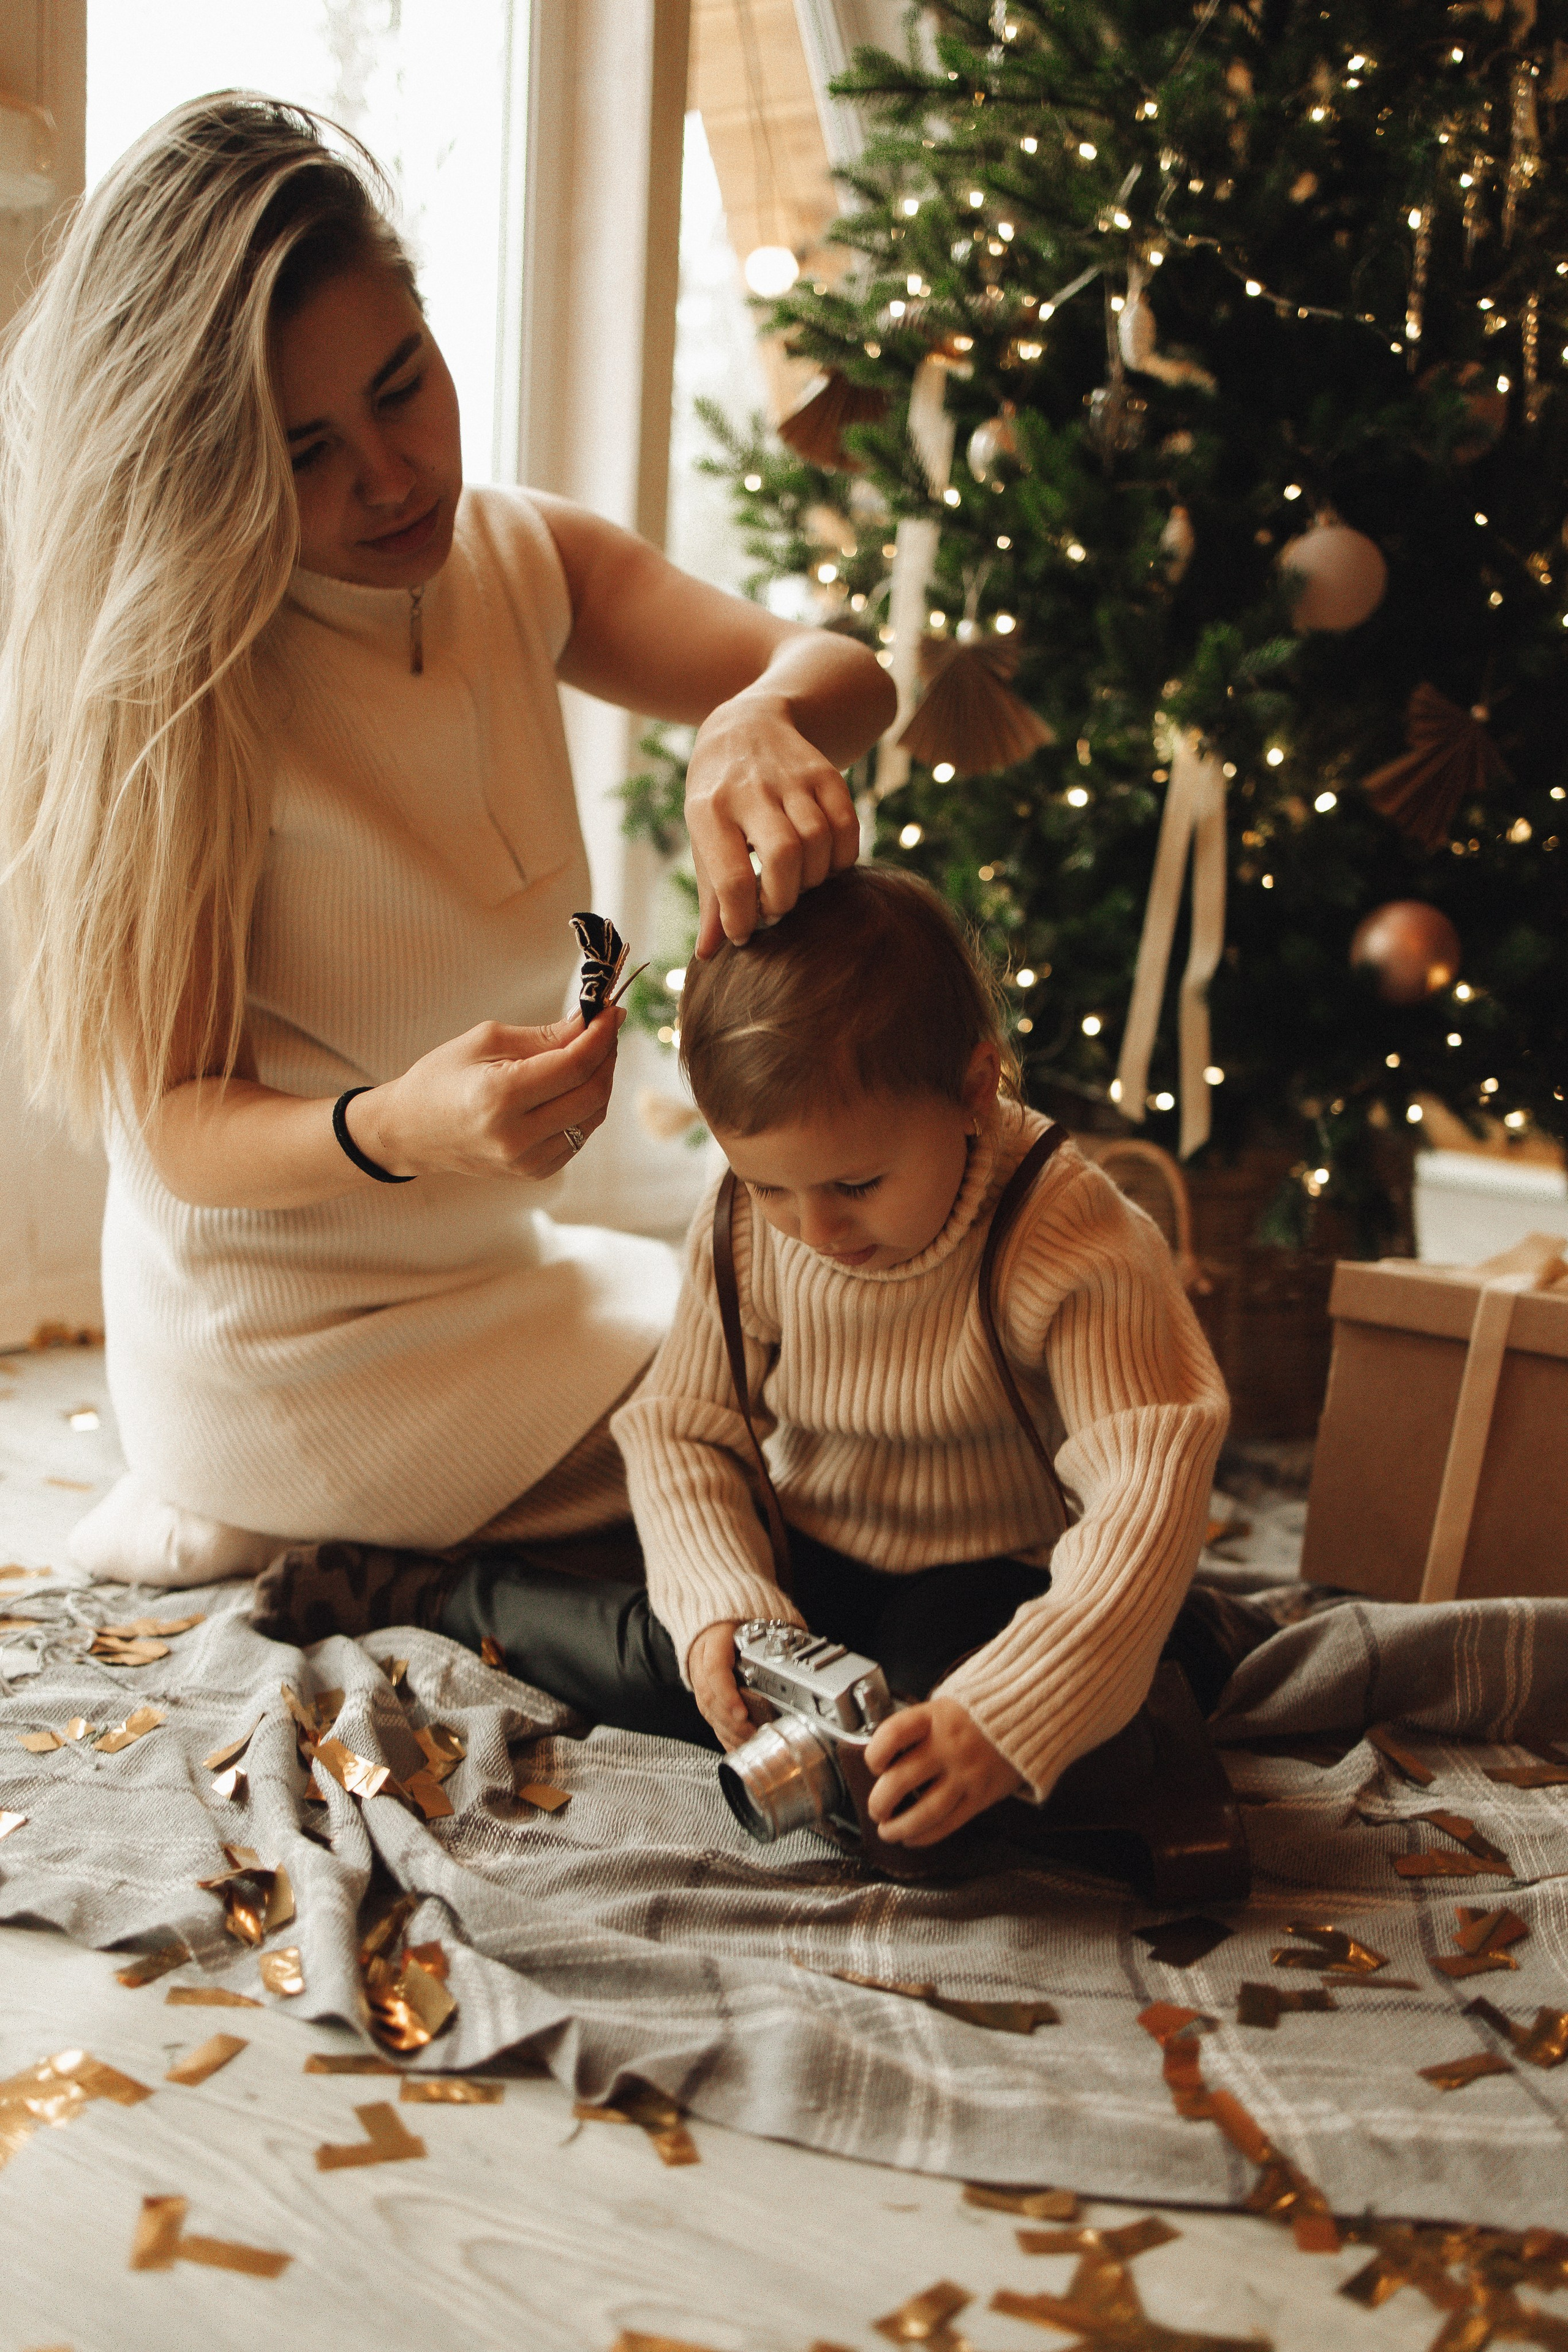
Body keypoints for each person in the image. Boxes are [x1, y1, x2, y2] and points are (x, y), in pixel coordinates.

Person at [0, 96, 892, 1586]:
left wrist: (760, 716)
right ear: (205, 469)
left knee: (849, 1343)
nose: (392, 476)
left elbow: (853, 673)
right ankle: (266, 1502)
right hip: (288, 1353)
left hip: (499, 1282)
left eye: (402, 387)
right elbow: (172, 1128)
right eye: (304, 453)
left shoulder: (520, 559)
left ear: (424, 318)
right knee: (833, 1434)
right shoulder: (188, 694)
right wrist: (394, 1130)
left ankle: (311, 1529)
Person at [259, 865, 1248, 1855]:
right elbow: (684, 1430)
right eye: (770, 1185)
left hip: (995, 1569)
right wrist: (723, 1613)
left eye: (856, 1182)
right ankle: (445, 1594)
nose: (813, 1227)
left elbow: (1144, 1484)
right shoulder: (744, 1221)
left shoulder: (1066, 1230)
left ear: (973, 1094)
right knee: (681, 1667)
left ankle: (1174, 1644)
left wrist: (1006, 1711)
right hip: (808, 1542)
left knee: (927, 1789)